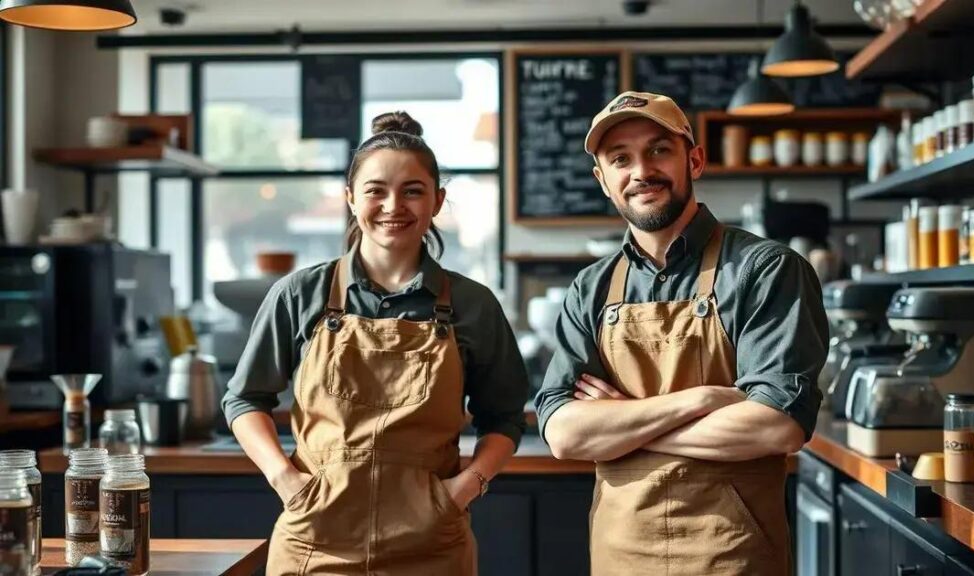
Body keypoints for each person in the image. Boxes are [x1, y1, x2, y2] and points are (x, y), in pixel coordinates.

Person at [223, 111, 529, 575]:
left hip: (431, 545)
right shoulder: (299, 293)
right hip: (314, 541)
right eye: (375, 190)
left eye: (412, 191)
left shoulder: (473, 304)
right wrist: (285, 479)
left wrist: (466, 487)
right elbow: (244, 399)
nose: (393, 206)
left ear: (437, 200)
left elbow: (505, 417)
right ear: (350, 198)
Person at [535, 91, 828, 575]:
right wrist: (701, 400)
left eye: (658, 150)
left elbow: (777, 424)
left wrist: (619, 424)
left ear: (694, 159)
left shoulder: (766, 270)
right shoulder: (591, 287)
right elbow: (564, 435)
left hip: (732, 557)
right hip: (620, 556)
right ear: (603, 181)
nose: (640, 171)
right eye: (620, 159)